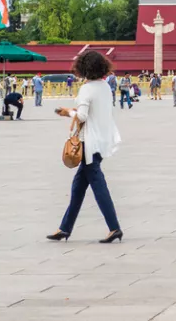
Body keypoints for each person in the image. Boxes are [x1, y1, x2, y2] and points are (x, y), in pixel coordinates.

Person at [49, 50, 123, 244]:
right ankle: (64, 228)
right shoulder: (105, 87)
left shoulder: (87, 89)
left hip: (88, 143)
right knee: (78, 188)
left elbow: (82, 116)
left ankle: (114, 227)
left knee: (99, 187)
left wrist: (67, 112)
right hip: (101, 140)